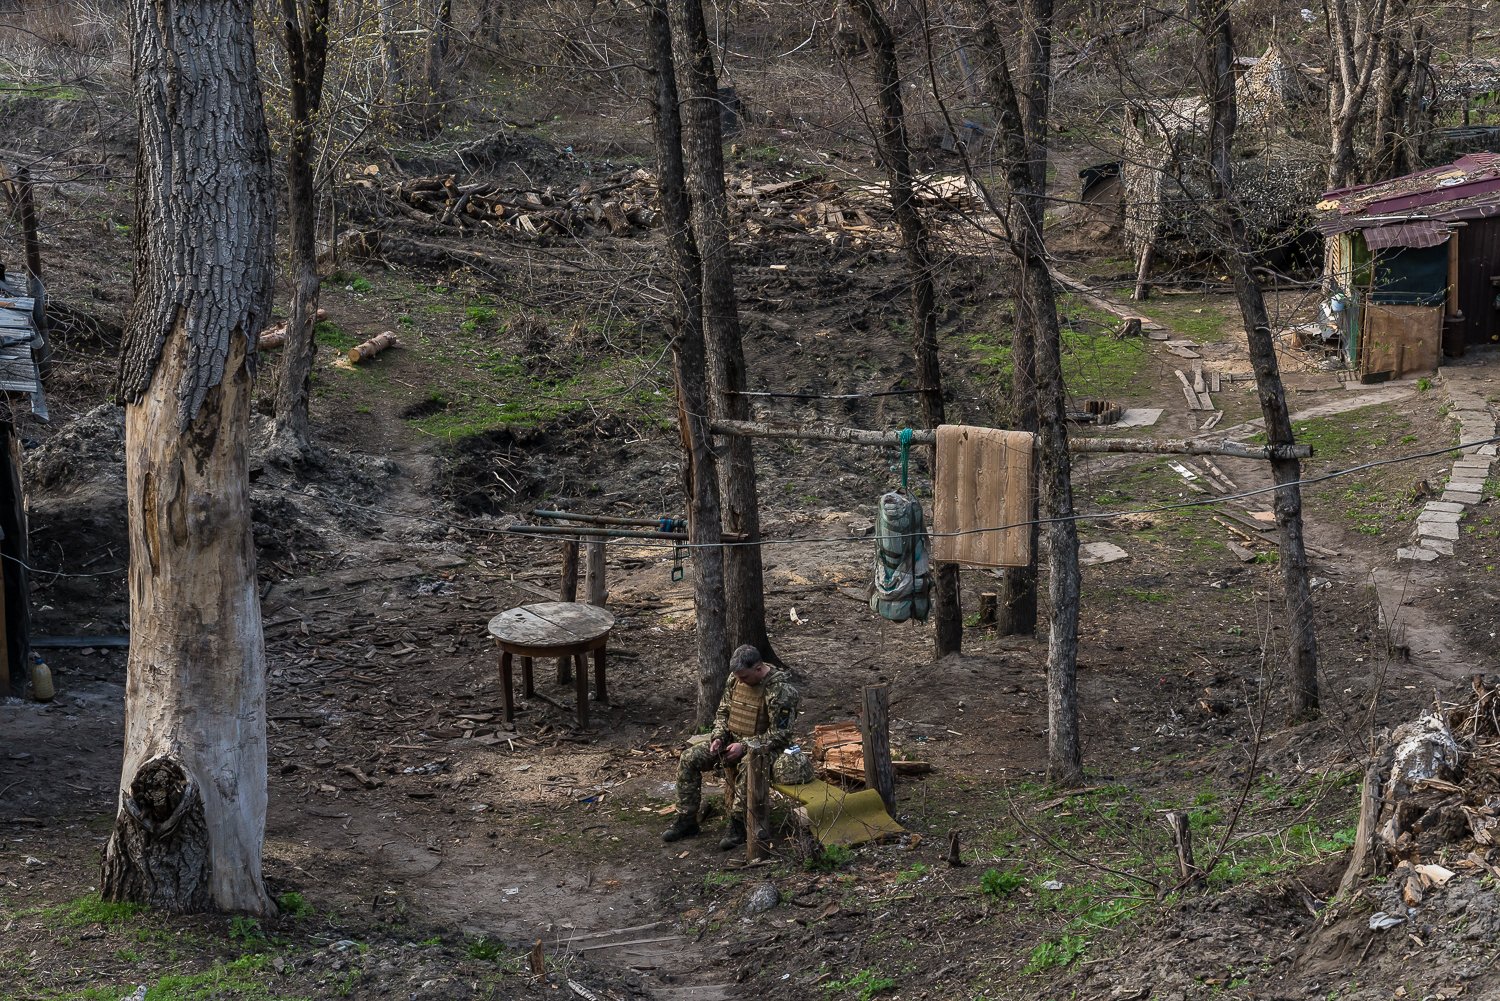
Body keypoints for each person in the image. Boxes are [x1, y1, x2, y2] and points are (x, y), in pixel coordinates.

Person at [662, 644, 797, 849]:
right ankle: (687, 819)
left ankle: (738, 825)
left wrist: (743, 746)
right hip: (731, 741)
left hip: (765, 748)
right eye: (738, 676)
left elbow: (781, 734)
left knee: (747, 766)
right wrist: (718, 737)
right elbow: (723, 713)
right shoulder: (735, 679)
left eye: (744, 677)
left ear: (759, 668)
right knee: (689, 758)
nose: (739, 680)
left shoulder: (781, 691)